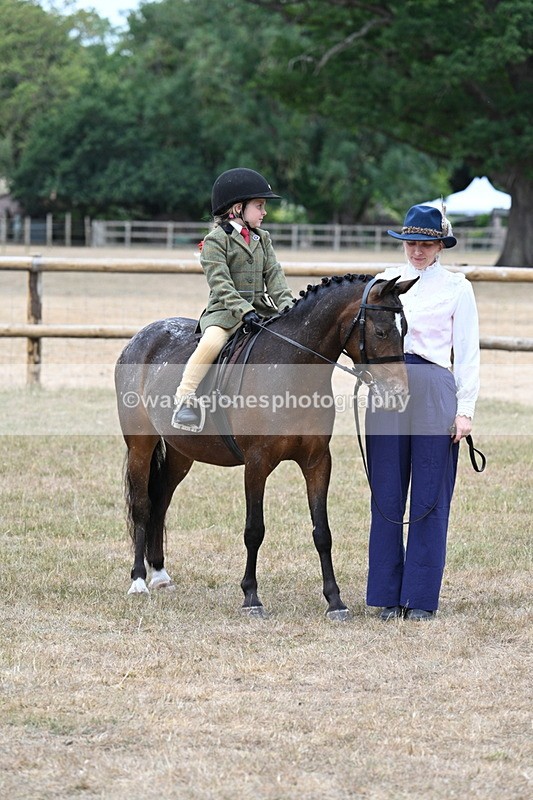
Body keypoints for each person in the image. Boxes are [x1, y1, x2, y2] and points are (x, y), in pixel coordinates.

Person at [365, 204, 480, 621]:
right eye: (411, 243)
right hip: (388, 390)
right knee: (387, 492)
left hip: (434, 386)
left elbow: (467, 353)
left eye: (425, 244)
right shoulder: (382, 283)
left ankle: (420, 597)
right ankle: (385, 592)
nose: (417, 251)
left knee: (430, 496)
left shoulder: (457, 287)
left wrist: (464, 410)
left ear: (439, 246)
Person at [171, 167, 294, 430]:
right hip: (225, 314)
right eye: (259, 206)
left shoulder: (263, 238)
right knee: (211, 344)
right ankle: (185, 399)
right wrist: (243, 310)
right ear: (238, 208)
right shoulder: (215, 241)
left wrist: (288, 307)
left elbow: (274, 276)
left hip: (260, 311)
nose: (264, 212)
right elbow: (221, 283)